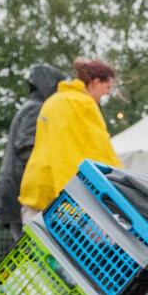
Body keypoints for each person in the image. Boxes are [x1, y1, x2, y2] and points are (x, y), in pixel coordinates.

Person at [17, 59, 121, 222]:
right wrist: (122, 180)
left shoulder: (53, 101)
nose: (107, 93)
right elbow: (101, 150)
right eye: (107, 87)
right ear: (94, 83)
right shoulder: (85, 104)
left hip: (37, 189)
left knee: (35, 246)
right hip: (67, 200)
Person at [0, 64, 66, 238]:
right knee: (31, 250)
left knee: (27, 249)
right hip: (20, 191)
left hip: (14, 189)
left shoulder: (31, 107)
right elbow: (27, 147)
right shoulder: (36, 109)